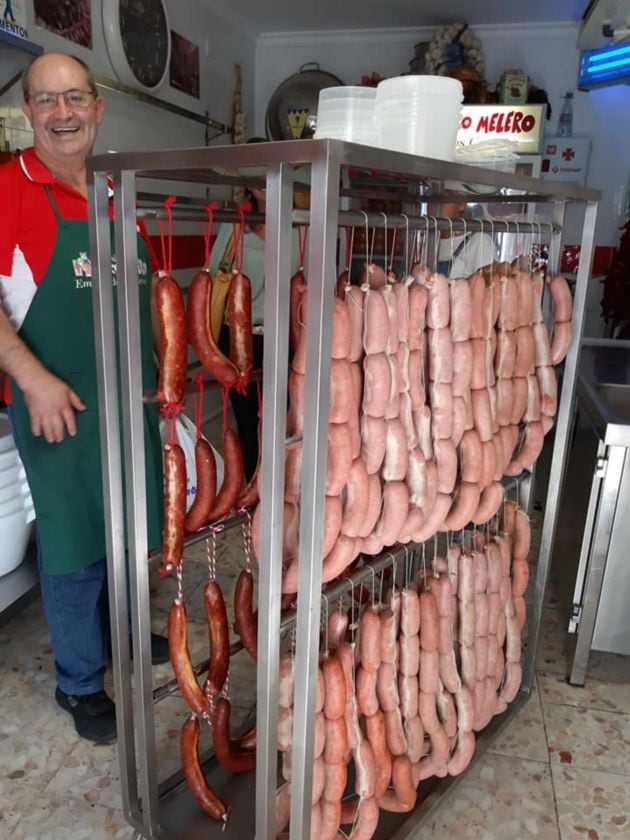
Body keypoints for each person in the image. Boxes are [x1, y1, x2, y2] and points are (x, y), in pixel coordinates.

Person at [0, 53, 166, 743]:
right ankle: (78, 681)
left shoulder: (114, 188)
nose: (62, 113)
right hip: (57, 400)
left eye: (74, 98)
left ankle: (120, 636)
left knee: (129, 528)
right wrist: (32, 379)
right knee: (73, 545)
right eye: (46, 101)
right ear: (27, 112)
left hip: (130, 401)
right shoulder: (9, 189)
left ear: (98, 107)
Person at [211, 172, 302, 480]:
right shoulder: (235, 222)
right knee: (248, 420)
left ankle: (282, 485)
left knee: (284, 414)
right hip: (238, 336)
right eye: (257, 176)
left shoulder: (298, 223)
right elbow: (213, 272)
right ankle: (253, 490)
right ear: (249, 185)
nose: (264, 181)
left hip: (283, 336)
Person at [435, 182, 498, 277]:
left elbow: (490, 288)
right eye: (431, 197)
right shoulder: (431, 243)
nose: (435, 204)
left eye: (444, 197)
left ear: (462, 204)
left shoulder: (479, 242)